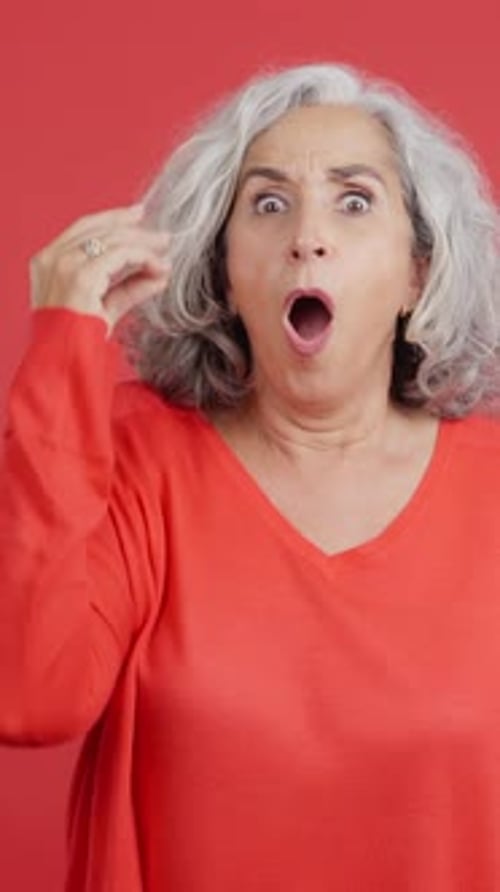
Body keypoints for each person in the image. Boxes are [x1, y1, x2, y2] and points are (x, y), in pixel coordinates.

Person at [0, 61, 499, 892]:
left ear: (418, 273)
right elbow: (27, 694)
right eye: (268, 204)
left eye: (354, 199)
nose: (307, 234)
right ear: (227, 273)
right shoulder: (135, 456)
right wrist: (60, 350)